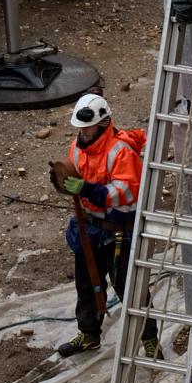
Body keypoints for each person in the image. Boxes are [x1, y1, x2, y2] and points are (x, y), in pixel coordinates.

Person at [48, 93, 153, 357]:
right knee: (87, 285)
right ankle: (88, 334)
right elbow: (75, 175)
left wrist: (88, 189)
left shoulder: (120, 151)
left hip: (117, 232)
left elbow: (127, 191)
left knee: (131, 288)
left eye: (88, 127)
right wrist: (66, 184)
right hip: (89, 228)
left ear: (103, 123)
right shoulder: (77, 146)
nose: (83, 132)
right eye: (80, 128)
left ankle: (149, 339)